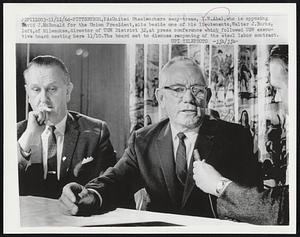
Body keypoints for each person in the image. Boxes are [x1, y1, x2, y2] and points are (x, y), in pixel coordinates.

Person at [59, 56, 262, 217]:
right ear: (160, 98)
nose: (189, 99)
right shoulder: (143, 140)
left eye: (197, 90)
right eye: (178, 90)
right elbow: (116, 181)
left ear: (207, 97)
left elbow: (251, 202)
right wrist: (91, 194)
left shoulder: (236, 137)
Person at [193, 45, 289, 225]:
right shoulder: (143, 139)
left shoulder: (238, 135)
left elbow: (282, 208)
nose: (275, 98)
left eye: (279, 88)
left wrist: (218, 184)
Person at [17, 55, 116, 199]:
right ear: (27, 94)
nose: (43, 99)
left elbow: (109, 187)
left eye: (52, 89)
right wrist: (29, 138)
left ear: (68, 91)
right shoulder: (16, 133)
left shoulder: (96, 133)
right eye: (36, 90)